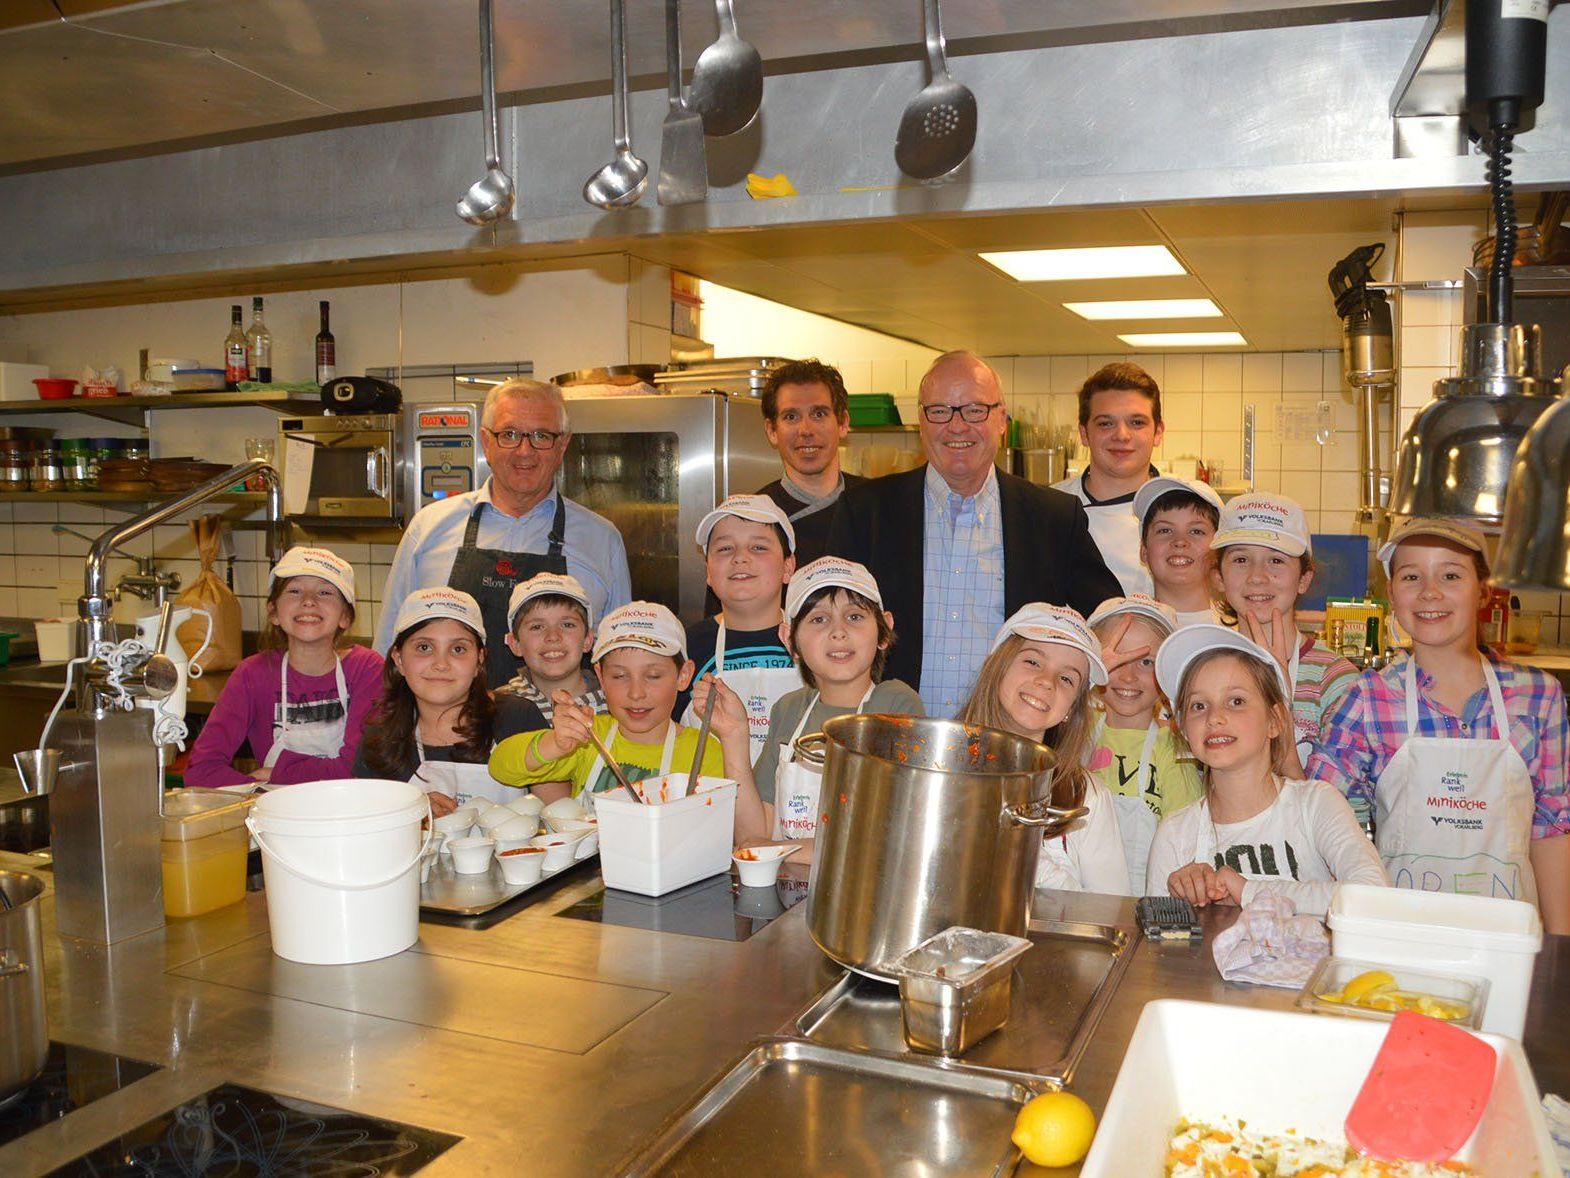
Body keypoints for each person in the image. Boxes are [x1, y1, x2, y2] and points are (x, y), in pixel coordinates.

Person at [1308, 518, 1570, 932]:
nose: (1430, 591)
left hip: (1511, 942)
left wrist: (1560, 952)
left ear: (1484, 590)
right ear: (1391, 593)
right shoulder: (1367, 701)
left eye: (1451, 574)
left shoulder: (1538, 698)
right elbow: (1320, 821)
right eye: (1411, 576)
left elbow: (1552, 831)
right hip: (1400, 935)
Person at [827, 350, 1121, 716]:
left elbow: (1107, 618)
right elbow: (825, 622)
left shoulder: (1054, 518)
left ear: (1002, 420)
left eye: (975, 410)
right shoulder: (864, 511)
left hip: (1006, 745)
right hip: (890, 741)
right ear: (921, 421)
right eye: (939, 411)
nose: (957, 426)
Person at [376, 378, 632, 687]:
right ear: (486, 441)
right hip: (449, 731)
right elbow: (390, 646)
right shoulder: (429, 528)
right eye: (509, 434)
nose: (525, 451)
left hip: (560, 731)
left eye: (541, 435)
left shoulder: (602, 539)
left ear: (563, 444)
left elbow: (620, 662)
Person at [1145, 625, 1388, 916]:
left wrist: (1247, 890)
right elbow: (1159, 948)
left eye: (1236, 701)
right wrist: (1180, 899)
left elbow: (1373, 895)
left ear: (1274, 721)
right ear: (1183, 729)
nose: (1215, 717)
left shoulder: (1316, 803)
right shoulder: (1175, 832)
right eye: (1199, 705)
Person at [489, 602, 767, 843]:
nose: (636, 693)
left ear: (684, 675)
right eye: (620, 676)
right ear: (599, 675)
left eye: (654, 676)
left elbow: (741, 833)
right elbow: (502, 768)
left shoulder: (705, 752)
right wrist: (555, 744)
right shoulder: (589, 738)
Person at [706, 557, 922, 862]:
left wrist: (775, 851)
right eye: (818, 619)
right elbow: (753, 834)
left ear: (884, 631)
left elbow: (883, 839)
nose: (838, 632)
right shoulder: (790, 709)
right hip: (784, 900)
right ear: (789, 639)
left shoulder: (895, 705)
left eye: (855, 616)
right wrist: (734, 735)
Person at [959, 603, 1137, 896]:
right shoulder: (937, 767)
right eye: (1032, 662)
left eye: (1067, 678)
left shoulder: (1087, 796)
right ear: (995, 666)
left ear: (1072, 708)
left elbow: (1111, 913)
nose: (1046, 681)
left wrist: (1029, 859)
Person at [186, 547, 383, 789]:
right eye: (294, 590)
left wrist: (277, 774)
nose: (308, 601)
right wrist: (259, 790)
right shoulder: (253, 674)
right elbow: (201, 772)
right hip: (274, 817)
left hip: (348, 815)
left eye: (324, 592)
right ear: (274, 612)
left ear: (345, 616)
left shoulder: (367, 669)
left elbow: (359, 771)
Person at [354, 588, 545, 815]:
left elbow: (557, 814)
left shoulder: (517, 718)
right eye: (424, 647)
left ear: (479, 660)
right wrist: (407, 811)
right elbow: (366, 825)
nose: (441, 664)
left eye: (458, 649)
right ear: (399, 660)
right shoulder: (380, 742)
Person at [1211, 491, 1357, 777]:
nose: (1257, 576)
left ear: (1304, 579)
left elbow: (1340, 813)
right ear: (1219, 577)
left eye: (1276, 561)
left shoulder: (1336, 681)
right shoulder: (1203, 669)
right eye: (1241, 559)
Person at [1085, 595, 1203, 895]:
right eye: (1116, 659)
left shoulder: (1172, 752)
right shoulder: (1076, 737)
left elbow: (1186, 849)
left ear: (1168, 673)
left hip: (1145, 908)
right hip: (1072, 901)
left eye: (1146, 662)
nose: (1128, 675)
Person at [678, 494, 803, 761]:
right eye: (725, 549)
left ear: (788, 567)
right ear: (708, 572)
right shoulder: (688, 646)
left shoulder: (813, 641)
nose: (740, 558)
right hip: (709, 799)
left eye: (758, 547)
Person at [1053, 362, 1166, 596]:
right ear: (1084, 434)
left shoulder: (1185, 513)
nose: (1121, 435)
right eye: (1106, 423)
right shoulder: (1049, 508)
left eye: (1137, 423)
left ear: (1158, 433)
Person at [755, 359, 865, 567]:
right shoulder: (752, 518)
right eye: (791, 416)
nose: (806, 430)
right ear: (771, 431)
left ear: (843, 423)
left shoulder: (879, 506)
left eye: (819, 414)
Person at [495, 572, 606, 723]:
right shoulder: (497, 707)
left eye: (567, 625)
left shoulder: (615, 705)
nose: (553, 636)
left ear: (587, 640)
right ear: (516, 644)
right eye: (537, 627)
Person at [1133, 475, 1223, 629]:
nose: (1180, 541)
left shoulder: (1241, 631)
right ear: (1144, 551)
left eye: (1196, 531)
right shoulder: (1124, 630)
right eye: (1165, 530)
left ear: (1219, 550)